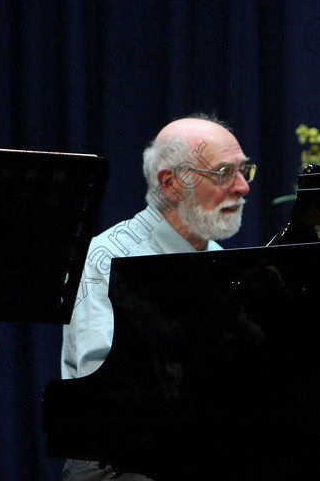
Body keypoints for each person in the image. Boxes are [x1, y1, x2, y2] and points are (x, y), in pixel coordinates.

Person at [60, 114, 255, 481]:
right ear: (171, 183)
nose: (242, 187)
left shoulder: (219, 263)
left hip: (195, 447)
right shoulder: (107, 259)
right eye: (224, 173)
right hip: (118, 464)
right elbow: (106, 392)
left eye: (244, 171)